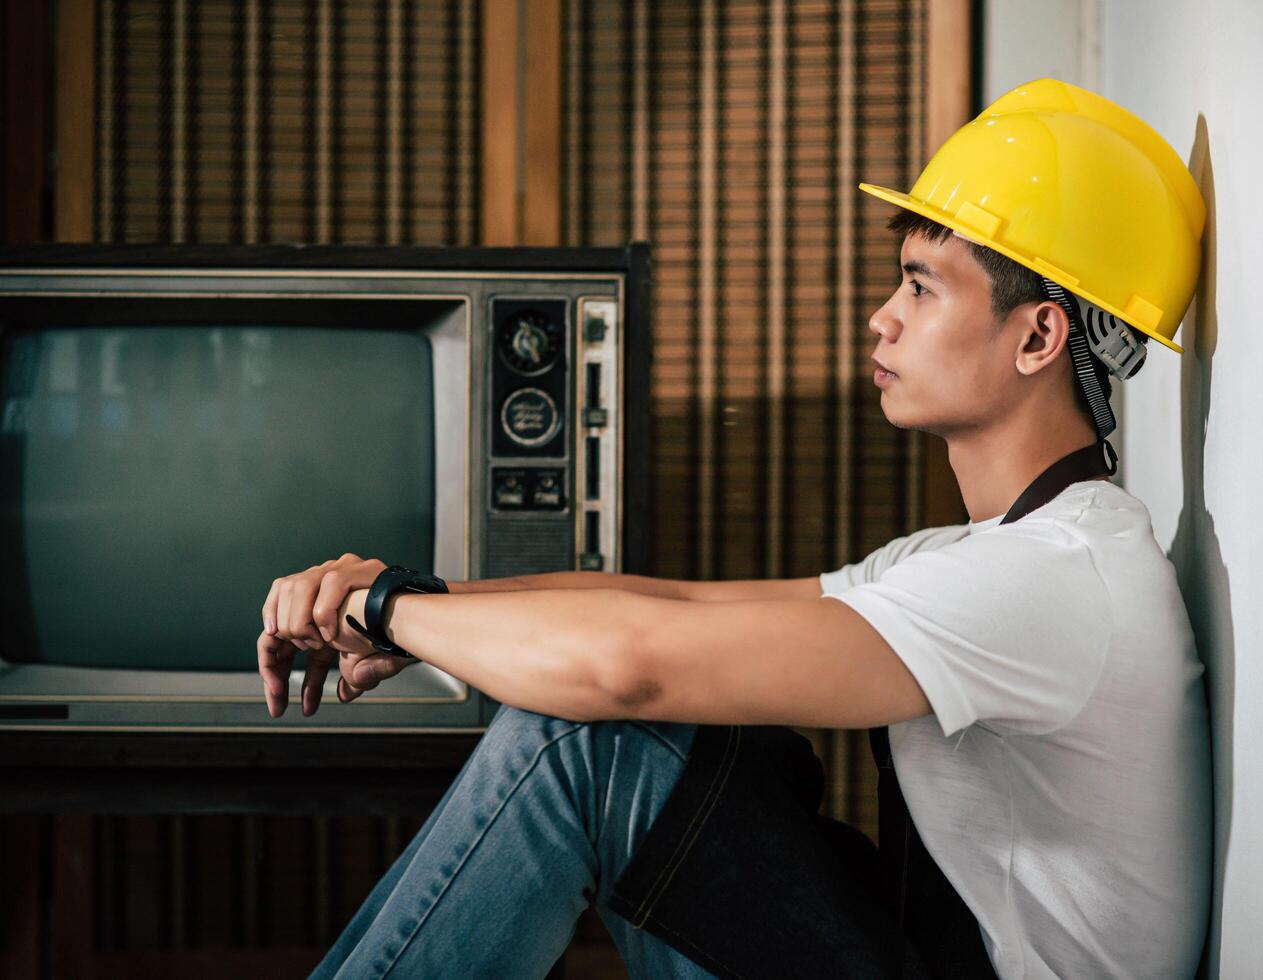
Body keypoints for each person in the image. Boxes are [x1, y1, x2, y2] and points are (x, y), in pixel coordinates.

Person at [258, 77, 1212, 979]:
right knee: (700, 738)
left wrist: (387, 613)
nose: (880, 318)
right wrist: (413, 594)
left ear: (1038, 338)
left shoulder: (1047, 580)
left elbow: (629, 664)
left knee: (589, 740)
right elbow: (668, 605)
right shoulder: (1001, 554)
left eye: (921, 288)